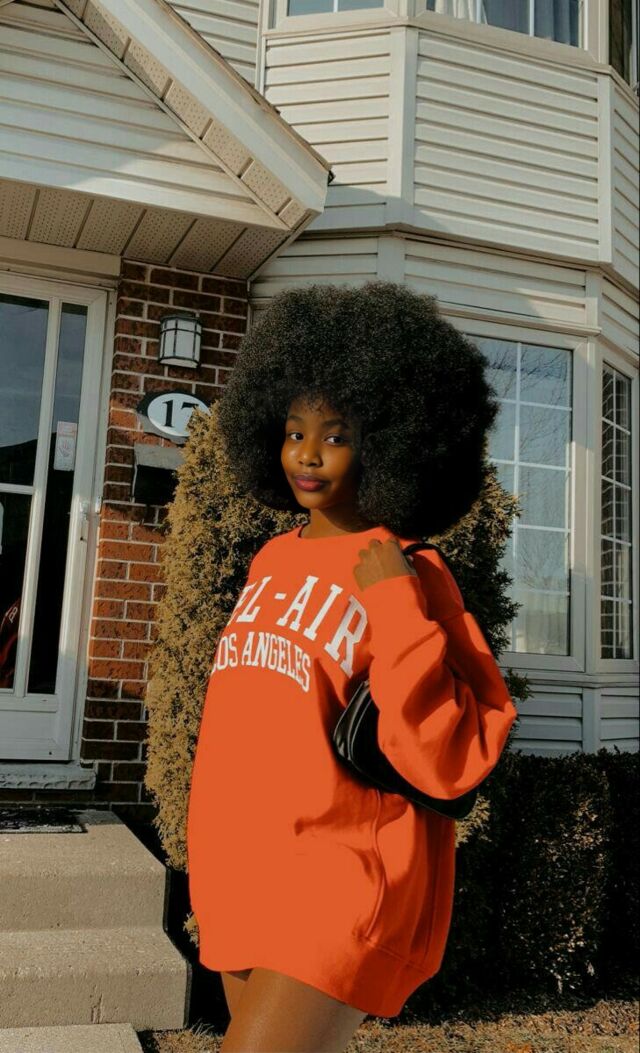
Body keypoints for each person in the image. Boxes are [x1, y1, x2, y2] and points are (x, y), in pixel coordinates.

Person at [186, 281, 518, 1052]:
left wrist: (397, 603)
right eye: (294, 431)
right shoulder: (271, 559)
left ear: (387, 440)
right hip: (240, 869)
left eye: (334, 435)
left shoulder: (408, 569)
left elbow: (457, 753)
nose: (306, 453)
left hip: (339, 878)